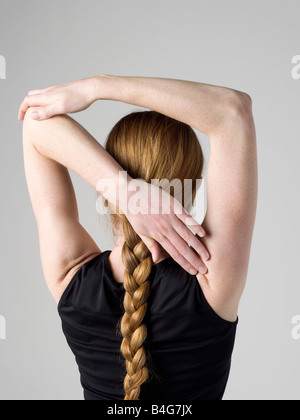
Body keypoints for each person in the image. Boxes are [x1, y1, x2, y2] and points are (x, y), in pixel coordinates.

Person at [19, 74, 258, 400]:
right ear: (195, 184)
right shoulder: (211, 275)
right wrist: (98, 87)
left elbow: (36, 124)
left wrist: (124, 190)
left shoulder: (70, 275)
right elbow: (232, 110)